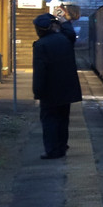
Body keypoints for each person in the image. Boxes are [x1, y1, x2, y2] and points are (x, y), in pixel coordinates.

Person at [31, 10, 80, 159]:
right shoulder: (66, 39)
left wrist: (37, 91)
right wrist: (63, 20)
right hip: (67, 90)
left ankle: (52, 150)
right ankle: (62, 147)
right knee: (63, 119)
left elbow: (40, 71)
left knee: (49, 120)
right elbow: (71, 33)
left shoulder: (40, 45)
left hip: (49, 91)